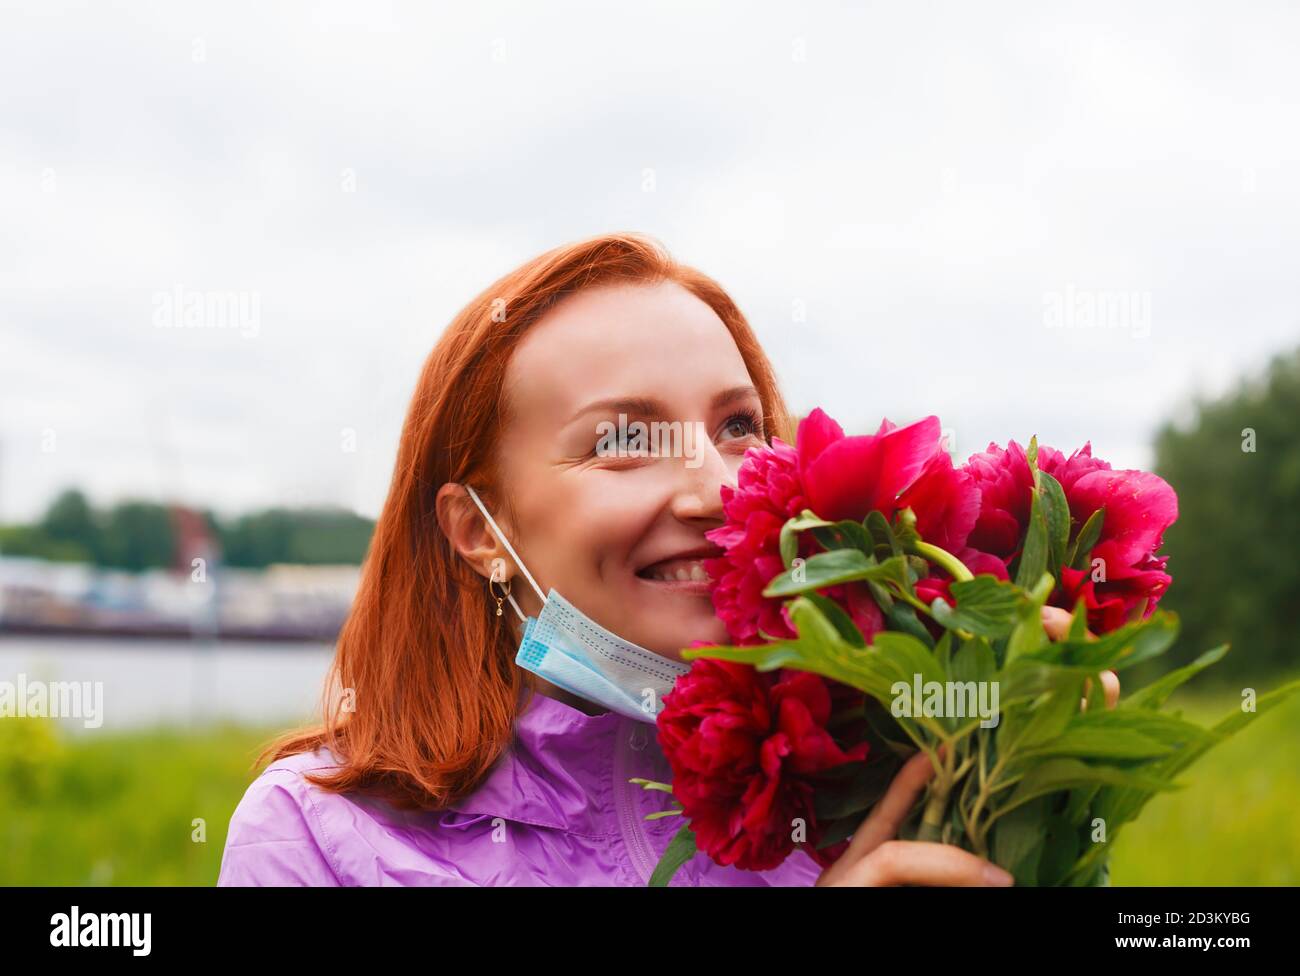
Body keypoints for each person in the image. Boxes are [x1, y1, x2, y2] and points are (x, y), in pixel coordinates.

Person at [216, 232, 1118, 887]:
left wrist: (1028, 780)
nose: (715, 490)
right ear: (479, 530)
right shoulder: (318, 834)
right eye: (624, 441)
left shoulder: (879, 778)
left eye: (738, 427)